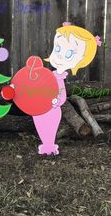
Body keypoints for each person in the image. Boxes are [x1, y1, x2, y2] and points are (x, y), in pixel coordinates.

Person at [33, 22, 101, 155]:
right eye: (57, 49)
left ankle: (49, 146)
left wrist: (56, 101)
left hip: (52, 109)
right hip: (41, 108)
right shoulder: (50, 75)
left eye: (69, 53)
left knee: (49, 128)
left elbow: (62, 95)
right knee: (41, 125)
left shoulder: (59, 78)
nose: (59, 55)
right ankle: (47, 145)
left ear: (79, 61)